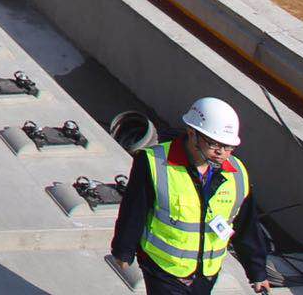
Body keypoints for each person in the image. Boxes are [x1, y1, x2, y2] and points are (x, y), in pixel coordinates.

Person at [111, 98, 271, 293]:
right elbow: (134, 210)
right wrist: (124, 249)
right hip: (162, 269)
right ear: (192, 133)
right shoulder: (153, 162)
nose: (221, 153)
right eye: (214, 144)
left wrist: (257, 271)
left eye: (228, 147)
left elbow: (246, 225)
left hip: (206, 274)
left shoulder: (237, 174)